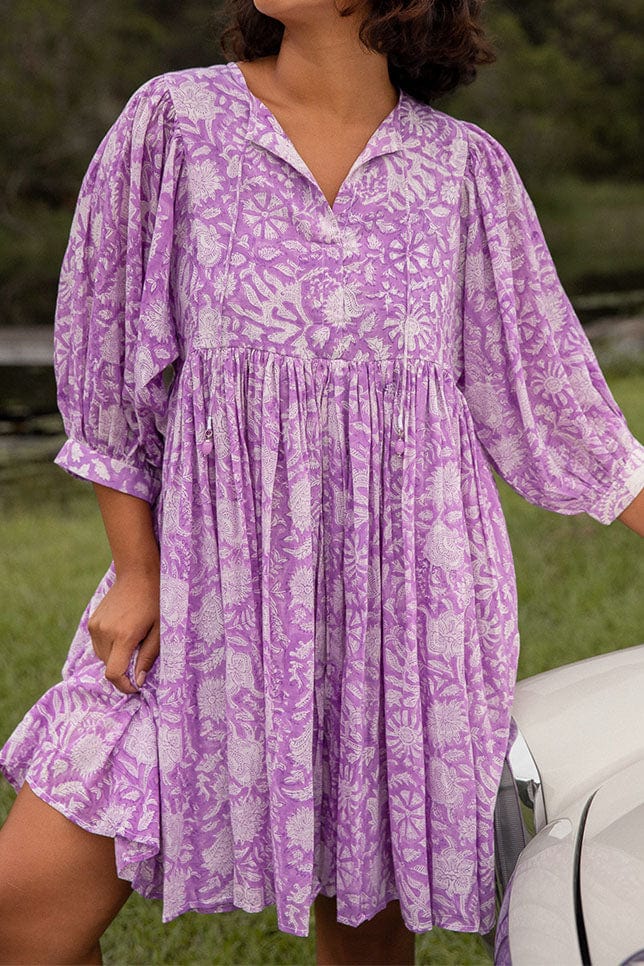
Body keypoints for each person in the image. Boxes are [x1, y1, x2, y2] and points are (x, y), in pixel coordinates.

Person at [1, 0, 644, 960]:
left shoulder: (464, 172)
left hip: (397, 614)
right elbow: (105, 365)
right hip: (204, 587)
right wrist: (137, 571)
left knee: (364, 925)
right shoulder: (174, 124)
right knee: (28, 904)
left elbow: (554, 400)